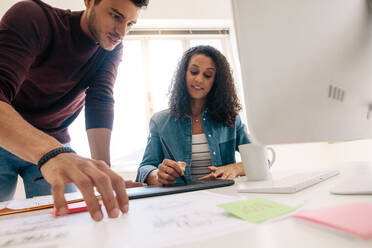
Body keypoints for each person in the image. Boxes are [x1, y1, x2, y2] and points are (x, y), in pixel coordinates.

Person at [0, 0, 149, 221]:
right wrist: (50, 152)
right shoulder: (32, 17)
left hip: (55, 142)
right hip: (7, 139)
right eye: (116, 16)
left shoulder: (111, 46)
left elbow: (100, 100)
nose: (121, 32)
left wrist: (104, 174)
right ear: (89, 2)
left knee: (64, 224)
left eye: (130, 24)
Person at [136, 45, 250, 185]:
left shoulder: (231, 119)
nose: (199, 79)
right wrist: (157, 175)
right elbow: (144, 168)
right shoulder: (160, 121)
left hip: (225, 199)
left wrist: (235, 168)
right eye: (194, 72)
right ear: (184, 74)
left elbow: (261, 160)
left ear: (216, 81)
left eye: (207, 75)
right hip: (181, 202)